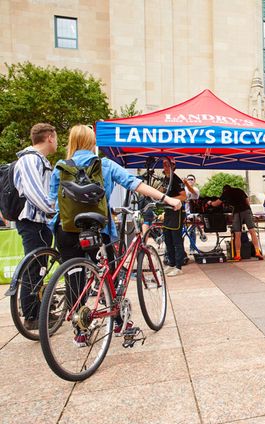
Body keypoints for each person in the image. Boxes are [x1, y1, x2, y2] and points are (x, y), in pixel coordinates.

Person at [49, 125, 182, 345]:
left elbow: (53, 200)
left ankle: (80, 331)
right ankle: (119, 322)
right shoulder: (104, 164)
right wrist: (168, 199)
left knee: (74, 276)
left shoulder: (60, 167)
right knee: (109, 274)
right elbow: (135, 184)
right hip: (97, 228)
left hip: (66, 228)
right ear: (92, 142)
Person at [12, 123, 58, 330]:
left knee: (38, 268)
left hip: (39, 222)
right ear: (49, 137)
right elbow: (33, 192)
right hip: (32, 222)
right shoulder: (30, 159)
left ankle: (38, 309)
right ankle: (32, 316)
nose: (57, 142)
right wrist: (53, 211)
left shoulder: (40, 160)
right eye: (55, 137)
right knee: (33, 269)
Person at [211, 185, 264, 260]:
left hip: (238, 212)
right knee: (252, 232)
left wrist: (210, 203)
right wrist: (250, 212)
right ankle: (257, 252)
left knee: (237, 234)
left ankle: (238, 255)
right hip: (247, 210)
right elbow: (247, 201)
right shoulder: (239, 190)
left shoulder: (226, 193)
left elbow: (216, 204)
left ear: (224, 190)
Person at [160, 158, 188, 276]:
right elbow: (161, 191)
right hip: (168, 213)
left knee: (177, 241)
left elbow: (184, 196)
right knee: (168, 240)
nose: (165, 166)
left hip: (177, 213)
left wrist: (169, 200)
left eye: (167, 164)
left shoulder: (176, 179)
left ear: (173, 166)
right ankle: (171, 264)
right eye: (164, 164)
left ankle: (178, 266)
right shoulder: (165, 179)